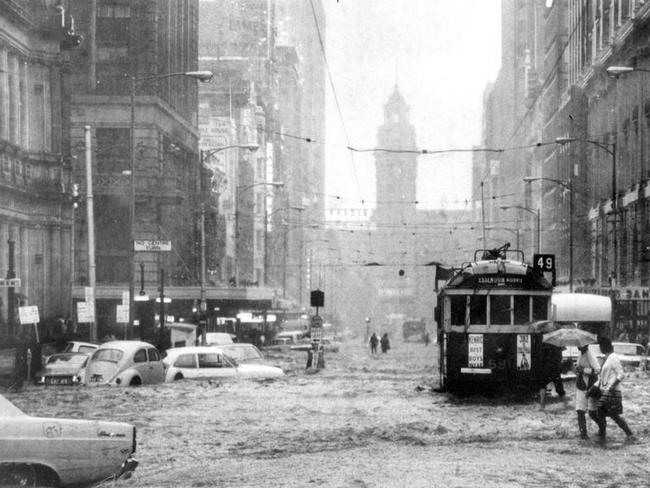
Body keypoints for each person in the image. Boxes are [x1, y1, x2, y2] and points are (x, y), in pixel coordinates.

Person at [592, 336, 635, 443]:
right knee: (603, 413)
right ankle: (603, 435)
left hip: (611, 392)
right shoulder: (607, 358)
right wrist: (594, 386)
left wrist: (610, 387)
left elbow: (621, 374)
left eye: (600, 346)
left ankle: (628, 434)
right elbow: (603, 378)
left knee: (611, 415)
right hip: (605, 391)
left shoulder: (613, 357)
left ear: (603, 346)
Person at [574, 343, 600, 440]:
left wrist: (584, 370)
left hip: (588, 386)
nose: (578, 346)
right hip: (580, 385)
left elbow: (598, 370)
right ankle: (583, 434)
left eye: (580, 345)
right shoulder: (580, 354)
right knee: (580, 410)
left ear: (586, 345)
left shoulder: (590, 355)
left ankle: (601, 427)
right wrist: (577, 368)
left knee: (590, 412)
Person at [538, 343, 566, 410]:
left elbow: (541, 357)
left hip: (546, 368)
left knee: (542, 386)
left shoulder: (544, 344)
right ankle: (565, 402)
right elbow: (560, 357)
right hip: (555, 368)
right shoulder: (558, 344)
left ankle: (542, 404)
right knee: (559, 387)